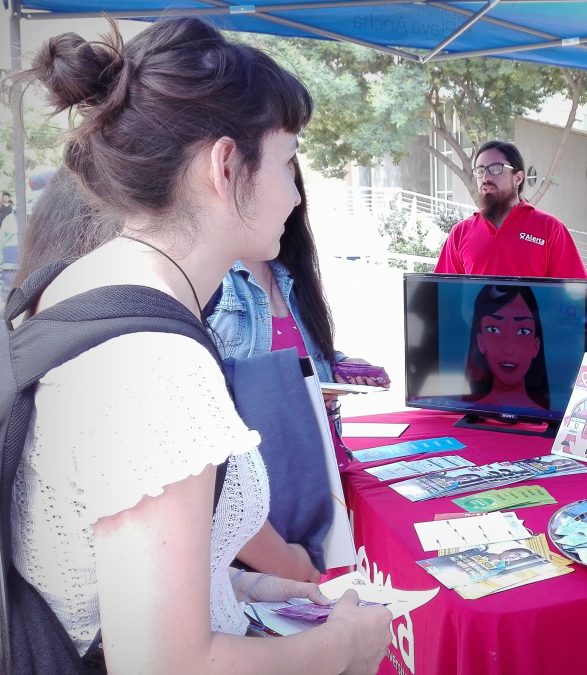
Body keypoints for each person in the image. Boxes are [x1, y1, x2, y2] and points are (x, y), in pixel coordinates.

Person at [13, 18, 390, 673]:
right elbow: (164, 665)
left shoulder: (77, 285)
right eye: (287, 160)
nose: (295, 193)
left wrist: (255, 586)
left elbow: (108, 571)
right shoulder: (155, 363)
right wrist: (347, 645)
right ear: (226, 166)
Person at [207, 164, 388, 582]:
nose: (295, 197)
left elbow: (295, 354)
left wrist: (335, 368)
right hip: (255, 490)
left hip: (311, 473)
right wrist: (291, 392)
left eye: (295, 180)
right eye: (282, 176)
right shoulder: (211, 281)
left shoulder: (291, 272)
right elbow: (213, 392)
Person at [434, 140, 587, 278]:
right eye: (480, 171)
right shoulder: (460, 233)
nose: (486, 178)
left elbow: (577, 293)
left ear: (518, 178)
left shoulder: (550, 229)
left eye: (495, 169)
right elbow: (442, 294)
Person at [465, 284, 550, 411]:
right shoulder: (467, 410)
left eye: (523, 331)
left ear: (535, 346)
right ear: (480, 341)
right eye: (493, 329)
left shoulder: (550, 418)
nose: (508, 351)